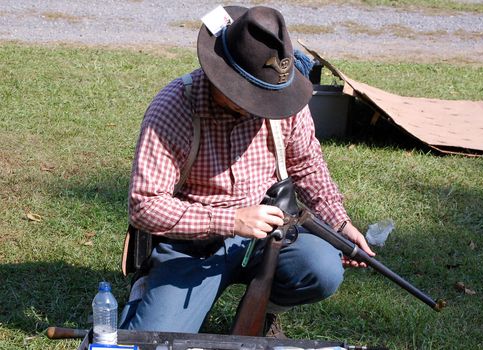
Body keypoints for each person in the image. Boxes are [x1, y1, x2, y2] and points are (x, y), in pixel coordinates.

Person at [119, 5, 375, 336]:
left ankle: (264, 310)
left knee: (322, 269)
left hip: (269, 239)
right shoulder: (175, 107)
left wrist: (341, 224)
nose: (263, 106)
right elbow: (145, 205)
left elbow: (309, 167)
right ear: (222, 75)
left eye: (267, 95)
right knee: (153, 340)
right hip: (191, 246)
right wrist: (231, 220)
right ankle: (148, 285)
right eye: (252, 95)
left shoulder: (283, 101)